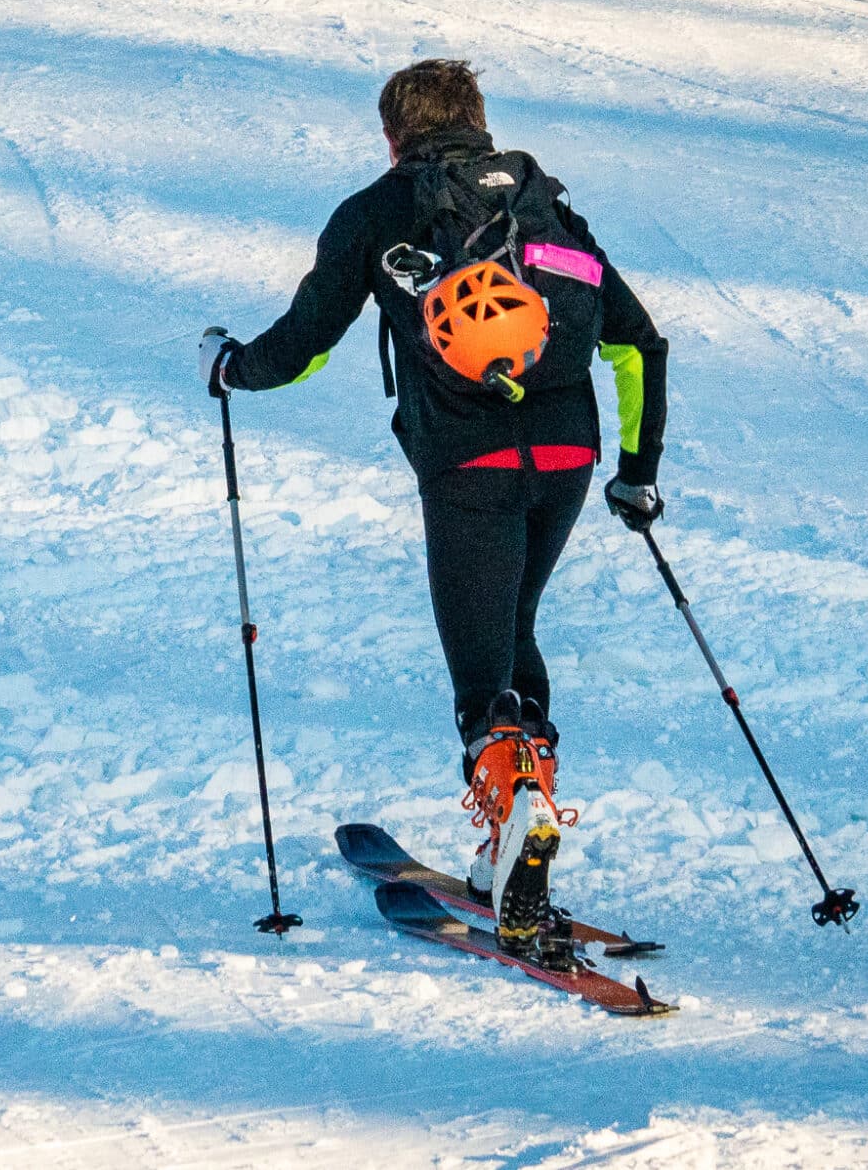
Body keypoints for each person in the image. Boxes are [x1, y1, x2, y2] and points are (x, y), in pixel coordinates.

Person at [197, 59, 668, 953]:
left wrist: (235, 367)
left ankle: (518, 814)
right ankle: (511, 839)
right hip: (568, 458)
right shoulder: (546, 205)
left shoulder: (379, 212)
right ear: (480, 123)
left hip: (467, 468)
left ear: (392, 136)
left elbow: (304, 344)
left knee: (478, 673)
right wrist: (636, 473)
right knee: (512, 625)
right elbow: (639, 342)